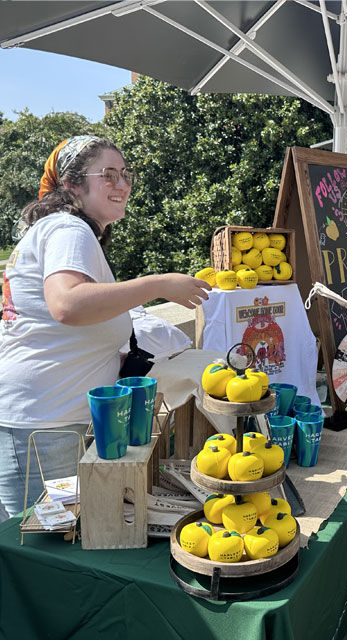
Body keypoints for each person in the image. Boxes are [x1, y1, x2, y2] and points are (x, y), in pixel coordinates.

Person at [0, 136, 211, 521]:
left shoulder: (64, 231)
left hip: (49, 420)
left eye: (126, 174)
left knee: (55, 538)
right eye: (108, 175)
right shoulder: (69, 230)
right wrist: (159, 284)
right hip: (44, 426)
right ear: (72, 185)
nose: (123, 184)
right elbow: (67, 304)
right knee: (40, 546)